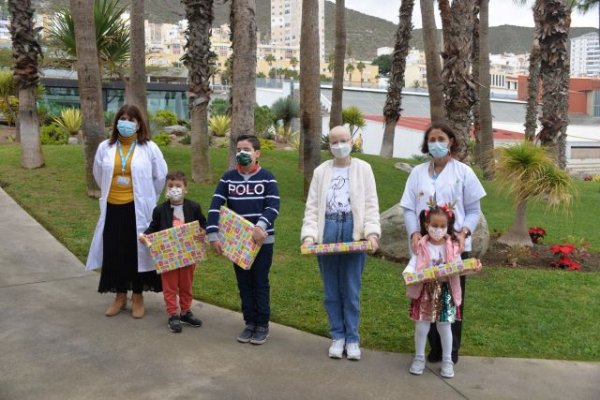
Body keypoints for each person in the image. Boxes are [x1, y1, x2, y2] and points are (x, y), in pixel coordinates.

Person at [400, 122, 486, 363]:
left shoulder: (463, 173)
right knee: (425, 296)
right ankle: (433, 347)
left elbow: (473, 209)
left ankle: (450, 351)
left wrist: (464, 231)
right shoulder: (418, 173)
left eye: (441, 138)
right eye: (432, 139)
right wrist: (413, 233)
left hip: (453, 249)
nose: (436, 143)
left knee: (452, 297)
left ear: (451, 142)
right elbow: (408, 208)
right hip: (425, 248)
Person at [301, 125, 381, 361]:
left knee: (351, 288)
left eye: (343, 140)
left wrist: (372, 232)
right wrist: (309, 235)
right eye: (334, 142)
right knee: (331, 289)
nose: (339, 146)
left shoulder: (364, 169)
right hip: (329, 229)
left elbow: (370, 204)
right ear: (329, 144)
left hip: (352, 230)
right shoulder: (321, 171)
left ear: (352, 141)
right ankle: (337, 336)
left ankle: (353, 338)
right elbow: (313, 206)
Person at [86, 104, 168, 319]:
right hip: (113, 208)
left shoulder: (149, 148)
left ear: (139, 124)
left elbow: (161, 176)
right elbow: (98, 172)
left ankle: (138, 296)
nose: (127, 123)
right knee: (115, 252)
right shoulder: (106, 147)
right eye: (123, 118)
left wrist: (149, 197)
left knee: (136, 252)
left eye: (131, 119)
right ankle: (120, 296)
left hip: (137, 209)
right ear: (116, 122)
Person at [206, 134, 280, 345]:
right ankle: (250, 323)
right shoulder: (228, 178)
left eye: (246, 149)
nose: (242, 153)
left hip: (262, 242)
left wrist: (261, 226)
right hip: (238, 244)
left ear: (257, 153)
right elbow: (215, 207)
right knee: (244, 283)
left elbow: (273, 206)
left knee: (260, 282)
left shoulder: (268, 177)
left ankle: (262, 325)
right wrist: (213, 235)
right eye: (239, 149)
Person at [141, 171, 207, 333]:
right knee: (170, 286)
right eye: (171, 186)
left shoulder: (193, 207)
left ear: (185, 189)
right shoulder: (160, 210)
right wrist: (145, 237)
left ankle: (185, 312)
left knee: (186, 285)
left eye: (178, 186)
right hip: (168, 256)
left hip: (188, 255)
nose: (174, 189)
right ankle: (173, 314)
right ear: (166, 189)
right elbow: (153, 228)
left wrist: (202, 233)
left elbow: (203, 225)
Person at [404, 204, 462, 379]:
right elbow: (414, 262)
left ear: (448, 226)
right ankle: (419, 357)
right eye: (434, 226)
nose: (438, 230)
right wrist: (408, 272)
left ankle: (447, 360)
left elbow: (459, 265)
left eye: (442, 226)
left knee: (444, 326)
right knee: (422, 326)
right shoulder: (422, 245)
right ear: (426, 224)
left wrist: (467, 267)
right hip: (425, 291)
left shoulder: (452, 246)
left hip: (445, 291)